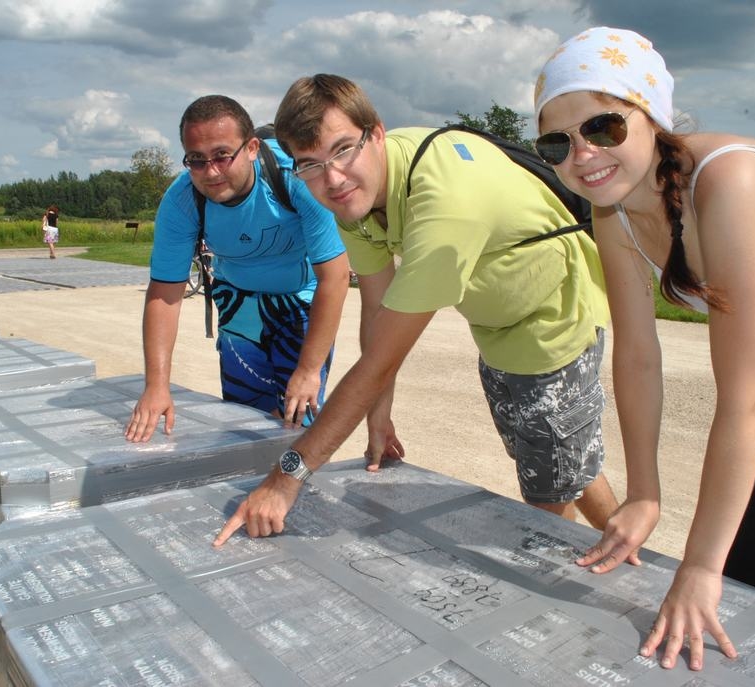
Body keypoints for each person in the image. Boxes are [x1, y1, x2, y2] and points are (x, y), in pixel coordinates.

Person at [533, 26, 755, 671]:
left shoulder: (728, 181)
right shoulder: (613, 213)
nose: (582, 154)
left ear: (653, 118)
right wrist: (644, 493)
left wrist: (697, 564)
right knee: (754, 571)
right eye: (557, 141)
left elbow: (744, 400)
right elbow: (637, 356)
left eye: (603, 127)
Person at [214, 75, 617, 545]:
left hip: (553, 319)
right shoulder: (353, 198)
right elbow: (377, 310)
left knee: (544, 508)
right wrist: (378, 415)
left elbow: (381, 360)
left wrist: (285, 480)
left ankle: (563, 607)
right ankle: (638, 562)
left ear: (377, 133)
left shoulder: (444, 203)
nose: (333, 179)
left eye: (344, 149)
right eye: (310, 165)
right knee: (563, 460)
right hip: (497, 325)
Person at [125, 95, 349, 438]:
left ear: (252, 148)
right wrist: (156, 387)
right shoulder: (182, 200)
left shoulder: (298, 179)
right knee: (246, 423)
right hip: (238, 304)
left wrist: (309, 368)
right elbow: (164, 295)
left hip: (301, 302)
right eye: (196, 160)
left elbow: (333, 277)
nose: (210, 172)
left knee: (297, 423)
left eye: (222, 156)